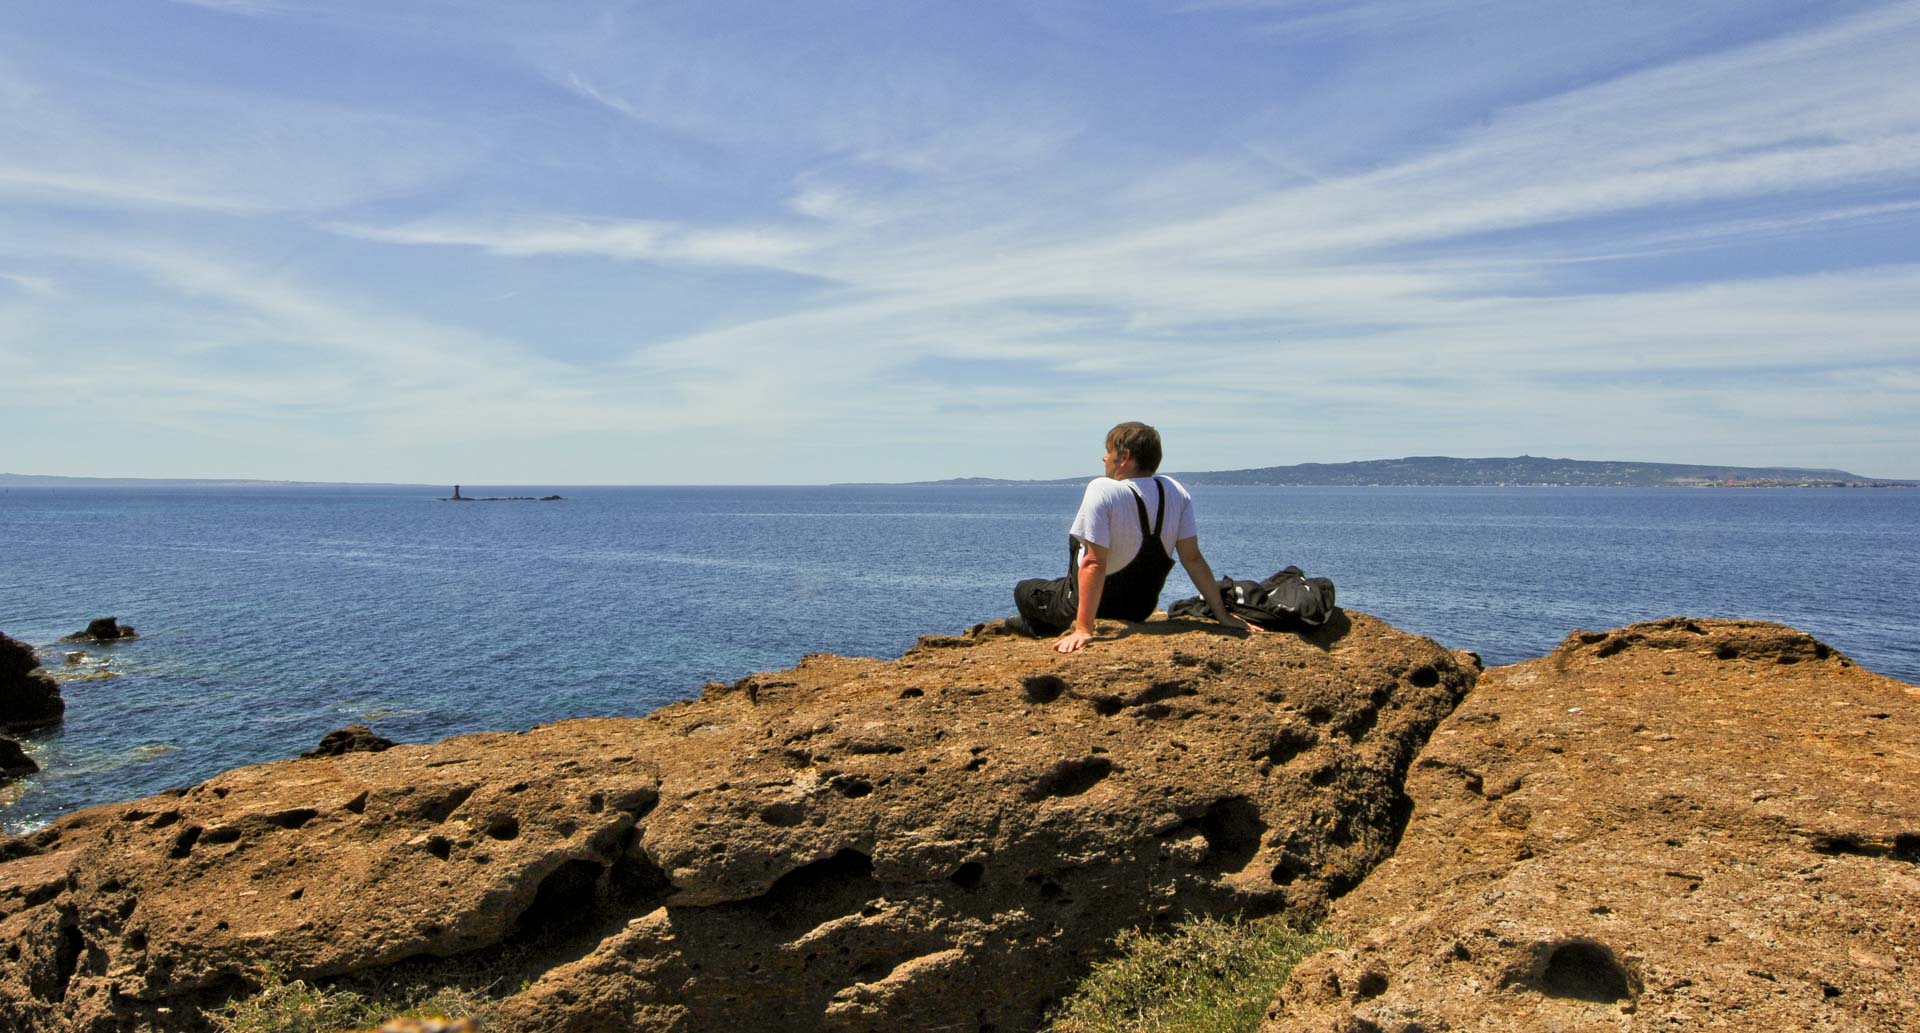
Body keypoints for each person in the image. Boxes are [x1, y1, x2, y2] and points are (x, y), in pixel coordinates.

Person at [1014, 422, 1250, 654]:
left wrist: (1083, 628)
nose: (1104, 458)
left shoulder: (1103, 489)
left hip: (1090, 608)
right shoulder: (1175, 491)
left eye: (1109, 451)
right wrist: (1222, 615)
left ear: (1124, 456)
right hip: (1139, 609)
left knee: (1025, 590)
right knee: (1056, 584)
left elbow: (1094, 562)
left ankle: (1035, 628)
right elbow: (1193, 559)